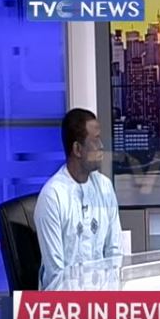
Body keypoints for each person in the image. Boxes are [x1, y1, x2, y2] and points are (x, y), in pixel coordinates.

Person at [34, 108, 122, 289]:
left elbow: (115, 255)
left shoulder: (105, 187)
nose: (101, 146)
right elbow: (57, 276)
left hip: (101, 298)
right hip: (63, 301)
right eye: (95, 140)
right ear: (77, 149)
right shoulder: (52, 197)